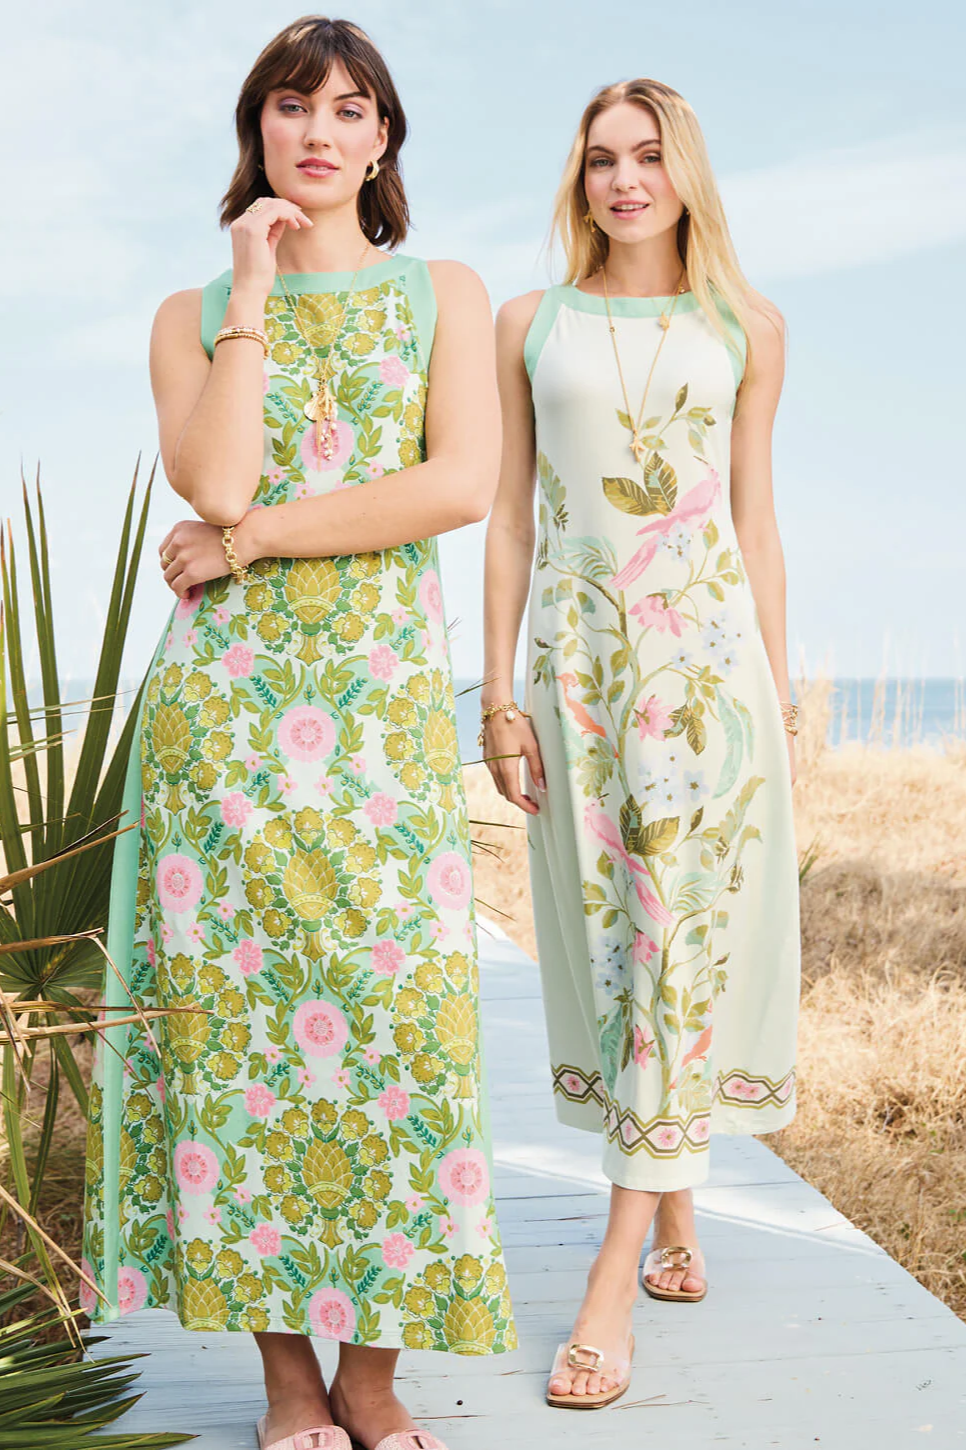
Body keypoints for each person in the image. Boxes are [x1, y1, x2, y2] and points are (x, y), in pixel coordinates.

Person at [81, 17, 516, 1450]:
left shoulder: (445, 293)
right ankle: (286, 1381)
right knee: (242, 1043)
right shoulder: (191, 313)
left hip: (384, 727)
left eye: (347, 109)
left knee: (402, 1037)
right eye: (290, 106)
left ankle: (372, 1378)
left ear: (383, 140)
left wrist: (254, 540)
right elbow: (212, 475)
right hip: (226, 733)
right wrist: (253, 291)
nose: (318, 131)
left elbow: (455, 487)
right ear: (255, 130)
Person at [481, 77, 800, 1409]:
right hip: (579, 681)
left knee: (673, 941)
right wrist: (496, 695)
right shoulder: (528, 322)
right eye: (602, 158)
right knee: (617, 947)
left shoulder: (747, 326)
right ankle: (674, 1209)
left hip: (708, 686)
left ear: (686, 173)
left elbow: (752, 519)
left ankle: (611, 1277)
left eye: (649, 156)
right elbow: (509, 515)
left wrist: (776, 698)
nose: (624, 180)